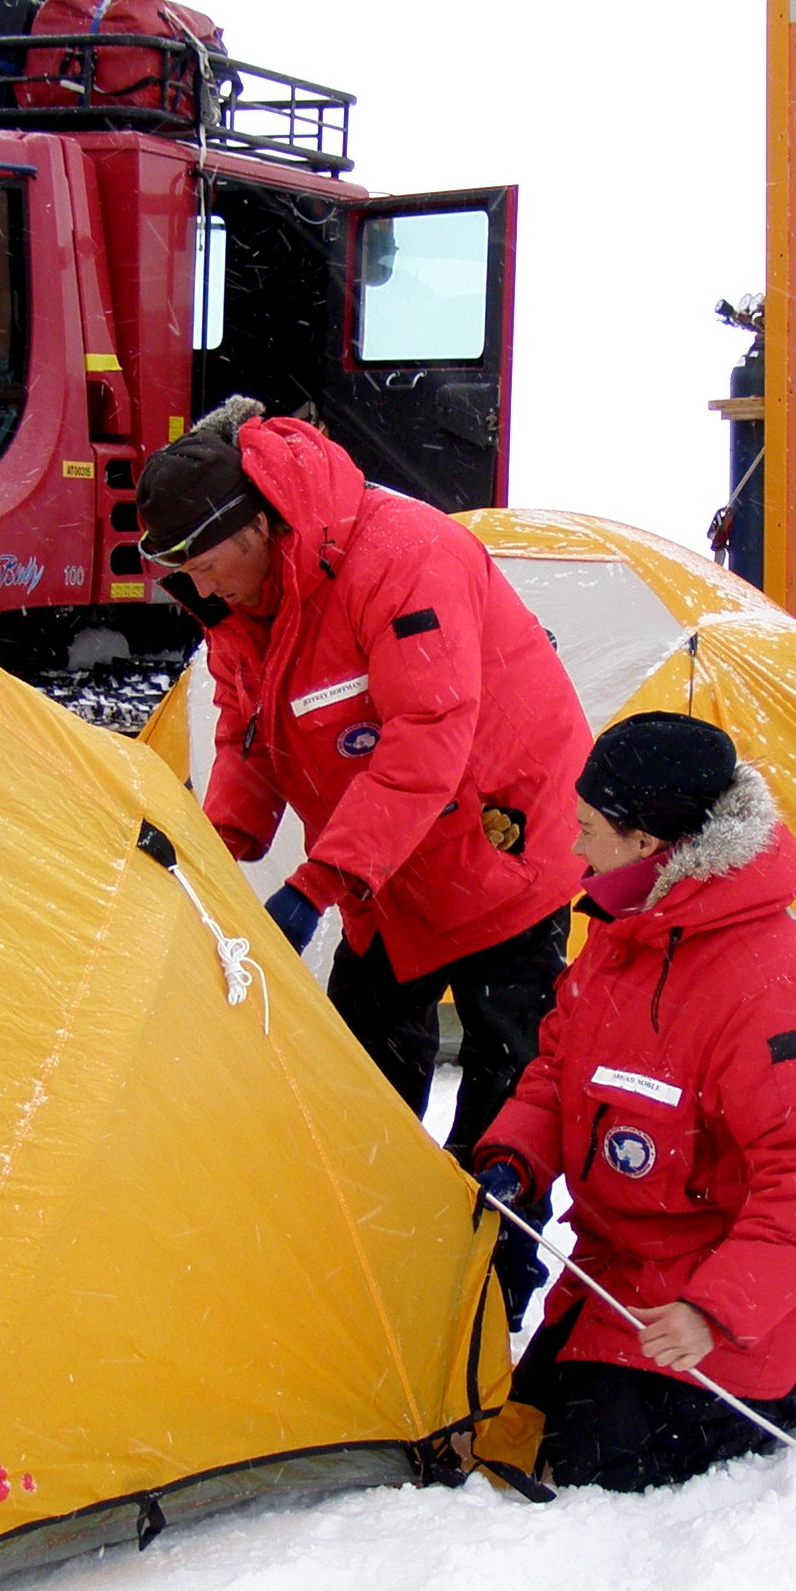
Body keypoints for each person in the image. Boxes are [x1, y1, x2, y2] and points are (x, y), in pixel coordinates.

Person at [135, 401, 594, 1209]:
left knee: (506, 1111)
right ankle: (377, 1237)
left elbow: (426, 738)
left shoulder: (403, 555)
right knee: (356, 1093)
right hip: (386, 870)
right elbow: (250, 736)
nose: (199, 588)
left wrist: (317, 884)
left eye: (204, 565)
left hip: (503, 852)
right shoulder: (240, 604)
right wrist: (211, 849)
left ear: (256, 526)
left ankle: (494, 1267)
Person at [471, 712, 796, 1493]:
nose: (573, 847)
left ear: (644, 842)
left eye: (587, 828)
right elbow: (561, 1067)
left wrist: (716, 1310)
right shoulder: (629, 929)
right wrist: (514, 1158)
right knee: (519, 1432)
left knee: (597, 1468)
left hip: (719, 1297)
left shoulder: (775, 990)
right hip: (622, 1266)